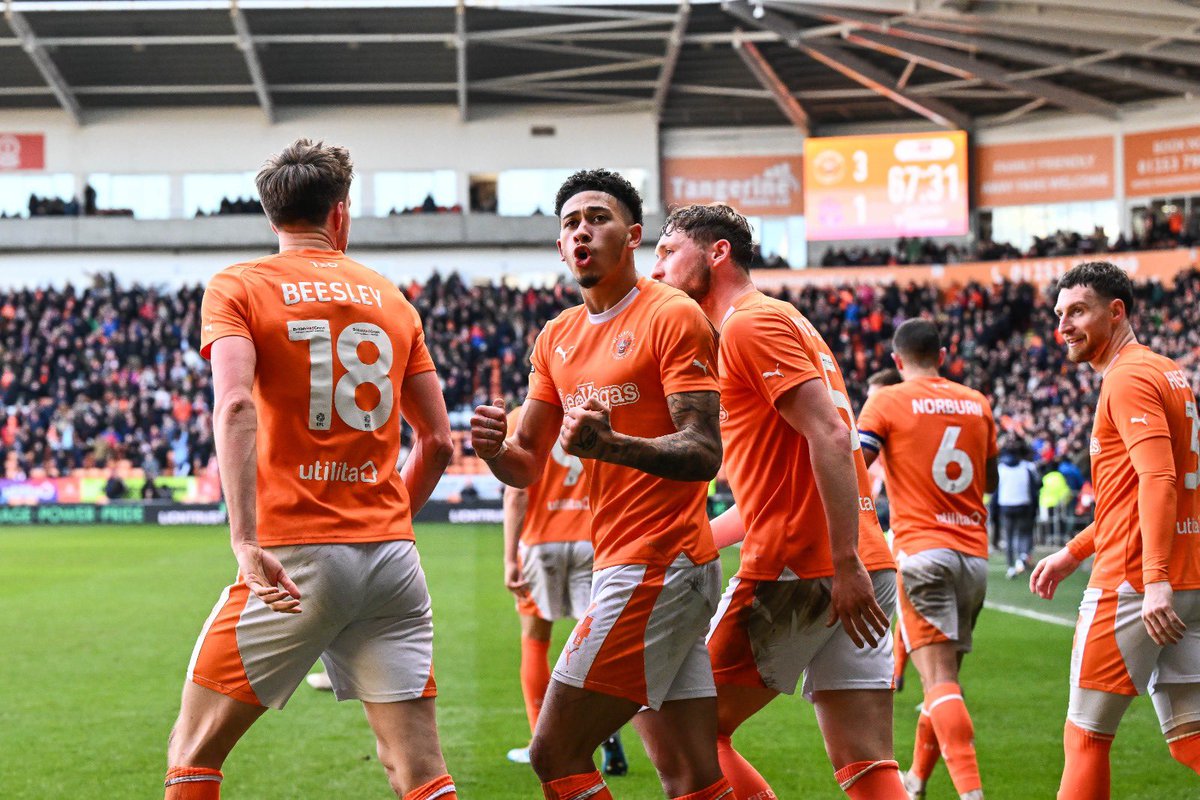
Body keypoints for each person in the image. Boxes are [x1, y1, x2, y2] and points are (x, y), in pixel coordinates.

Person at [165, 139, 459, 800]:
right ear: (341, 214)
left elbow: (236, 401)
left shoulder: (238, 286)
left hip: (295, 556)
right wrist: (381, 523)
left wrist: (244, 541)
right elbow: (438, 440)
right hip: (391, 559)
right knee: (420, 771)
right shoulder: (391, 297)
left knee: (194, 754)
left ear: (273, 216)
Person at [470, 170, 731, 800]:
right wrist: (492, 452)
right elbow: (526, 463)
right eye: (569, 223)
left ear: (634, 235)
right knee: (692, 776)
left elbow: (704, 450)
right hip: (631, 563)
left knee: (554, 751)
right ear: (561, 248)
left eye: (597, 217)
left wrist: (612, 445)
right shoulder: (555, 337)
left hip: (658, 564)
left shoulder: (672, 316)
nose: (581, 230)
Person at [652, 203, 906, 799]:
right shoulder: (786, 321)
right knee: (868, 763)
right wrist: (689, 541)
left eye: (667, 251)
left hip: (808, 565)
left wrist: (841, 562)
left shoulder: (747, 325)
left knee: (683, 723)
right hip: (863, 562)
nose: (657, 269)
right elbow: (780, 489)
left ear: (717, 253)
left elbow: (833, 437)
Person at [1030, 260, 1200, 796]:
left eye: (1078, 311)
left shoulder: (1126, 378)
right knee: (1190, 738)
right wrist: (1073, 552)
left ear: (1116, 311)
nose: (1064, 326)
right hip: (1188, 579)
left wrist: (1152, 581)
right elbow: (1133, 495)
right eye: (1059, 314)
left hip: (1136, 585)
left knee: (1085, 737)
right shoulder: (1166, 371)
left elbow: (1157, 479)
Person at [856, 318, 998, 800]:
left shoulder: (887, 400)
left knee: (939, 682)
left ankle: (972, 794)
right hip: (974, 555)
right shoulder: (977, 403)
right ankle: (915, 781)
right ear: (942, 355)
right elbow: (990, 479)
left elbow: (856, 464)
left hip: (921, 551)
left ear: (897, 362)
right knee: (946, 681)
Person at [501, 403, 627, 775]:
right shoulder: (594, 411)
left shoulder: (522, 417)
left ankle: (539, 741)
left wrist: (510, 557)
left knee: (536, 636)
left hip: (541, 541)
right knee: (595, 642)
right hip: (592, 538)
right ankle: (605, 733)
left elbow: (517, 492)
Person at [865, 367, 909, 693]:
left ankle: (891, 676)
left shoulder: (891, 428)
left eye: (876, 398)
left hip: (913, 537)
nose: (871, 407)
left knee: (902, 616)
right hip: (960, 540)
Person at [996, 439, 1039, 579]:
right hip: (1024, 504)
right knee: (1024, 534)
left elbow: (996, 492)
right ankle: (1022, 558)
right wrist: (1034, 508)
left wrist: (994, 512)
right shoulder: (1027, 467)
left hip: (1006, 505)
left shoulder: (1001, 468)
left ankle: (1010, 567)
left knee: (1008, 537)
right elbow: (1034, 489)